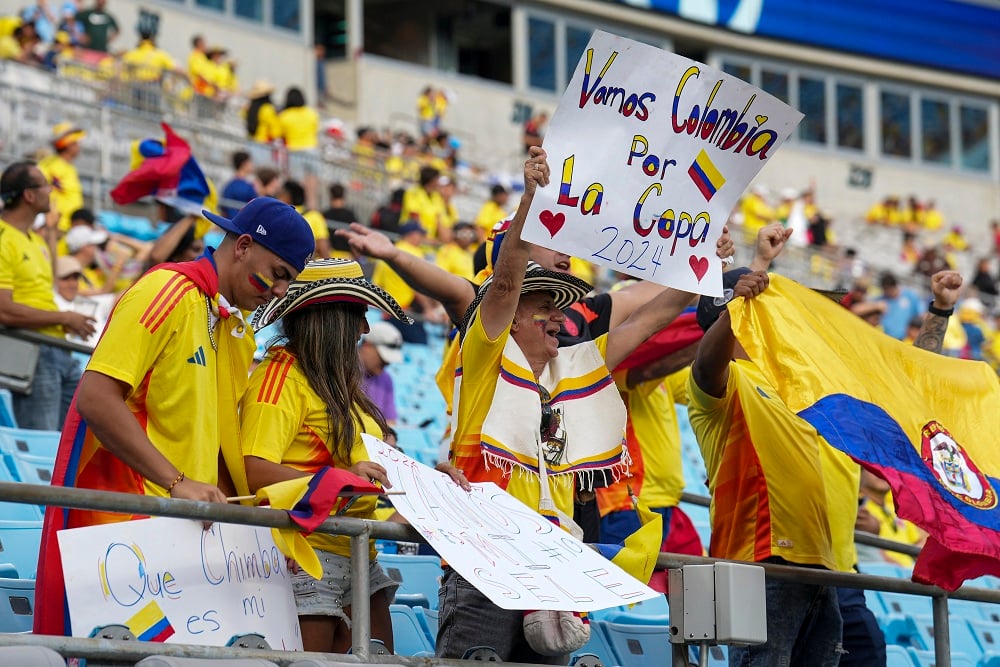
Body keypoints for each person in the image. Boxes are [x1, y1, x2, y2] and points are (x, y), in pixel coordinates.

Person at [436, 147, 718, 662]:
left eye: (558, 307)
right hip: (487, 561)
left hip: (554, 565)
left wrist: (704, 268)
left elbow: (649, 321)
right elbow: (503, 282)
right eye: (542, 305)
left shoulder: (576, 369)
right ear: (511, 320)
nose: (556, 317)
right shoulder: (484, 360)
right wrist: (528, 201)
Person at [33, 197, 315, 637]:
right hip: (123, 539)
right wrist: (177, 483)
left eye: (288, 282)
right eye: (279, 274)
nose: (279, 290)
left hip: (177, 544)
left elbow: (217, 448)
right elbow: (96, 398)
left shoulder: (231, 326)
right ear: (242, 246)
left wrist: (258, 531)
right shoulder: (165, 291)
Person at [241, 258, 410, 653]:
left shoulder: (336, 383)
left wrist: (429, 480)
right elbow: (251, 468)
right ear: (330, 318)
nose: (365, 329)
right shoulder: (280, 377)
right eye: (358, 314)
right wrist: (341, 479)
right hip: (306, 553)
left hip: (358, 551)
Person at [688, 265, 848, 666]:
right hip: (759, 559)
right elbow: (707, 365)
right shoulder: (723, 381)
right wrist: (737, 307)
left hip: (818, 563)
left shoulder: (792, 388)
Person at [0, 160, 96, 430]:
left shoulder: (36, 240)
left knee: (70, 443)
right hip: (32, 352)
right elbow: (3, 310)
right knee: (43, 444)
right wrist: (64, 316)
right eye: (45, 185)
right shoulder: (3, 238)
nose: (52, 191)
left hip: (58, 350)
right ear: (29, 195)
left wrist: (63, 321)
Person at [38, 122, 85, 231]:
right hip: (56, 228)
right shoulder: (49, 165)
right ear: (68, 144)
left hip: (70, 227)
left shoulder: (70, 168)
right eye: (75, 143)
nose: (79, 146)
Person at [359, 321, 403, 425]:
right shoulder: (341, 372)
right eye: (383, 357)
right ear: (367, 346)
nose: (388, 362)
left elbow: (390, 423)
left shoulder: (386, 379)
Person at [400, 166, 446, 242]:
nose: (439, 183)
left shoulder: (436, 197)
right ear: (431, 181)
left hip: (430, 240)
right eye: (437, 179)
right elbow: (414, 217)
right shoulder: (413, 193)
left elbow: (439, 220)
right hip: (412, 236)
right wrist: (424, 238)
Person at [876, 271, 923, 339]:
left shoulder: (910, 296)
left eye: (888, 289)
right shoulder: (882, 299)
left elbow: (921, 315)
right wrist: (876, 306)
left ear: (894, 286)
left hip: (904, 340)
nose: (887, 293)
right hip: (884, 337)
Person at [322, 182, 360, 259]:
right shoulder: (350, 216)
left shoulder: (324, 215)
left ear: (331, 196)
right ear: (343, 196)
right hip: (347, 259)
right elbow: (355, 239)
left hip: (328, 257)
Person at [277, 86, 320, 152]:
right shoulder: (311, 113)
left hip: (294, 151)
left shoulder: (284, 116)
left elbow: (279, 134)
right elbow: (316, 129)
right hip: (311, 149)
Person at [220, 150, 257, 218]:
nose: (253, 164)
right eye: (250, 162)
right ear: (244, 164)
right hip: (242, 222)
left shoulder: (229, 185)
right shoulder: (247, 187)